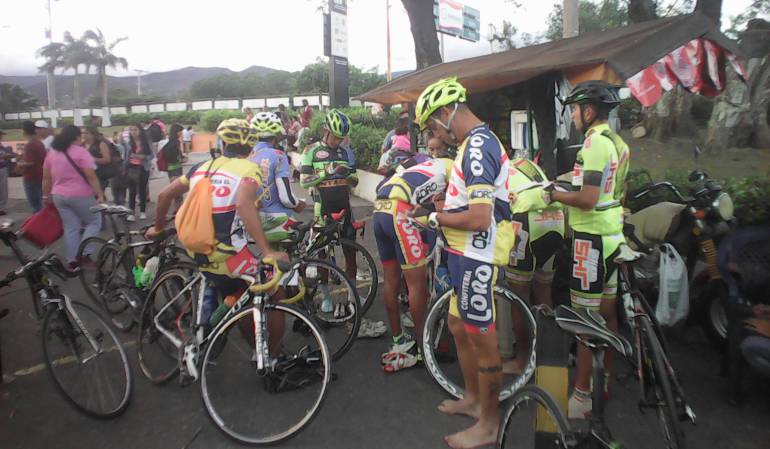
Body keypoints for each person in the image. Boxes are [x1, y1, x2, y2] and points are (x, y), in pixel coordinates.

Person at [413, 77, 514, 449]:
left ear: (445, 112)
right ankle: (474, 399)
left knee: (481, 338)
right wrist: (445, 205)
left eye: (433, 126)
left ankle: (489, 424)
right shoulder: (473, 145)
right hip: (463, 253)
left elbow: (479, 218)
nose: (435, 134)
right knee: (457, 324)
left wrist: (435, 219)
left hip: (477, 253)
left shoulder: (477, 147)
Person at [145, 118, 286, 331]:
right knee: (273, 287)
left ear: (222, 144)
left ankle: (219, 317)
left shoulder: (200, 168)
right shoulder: (249, 168)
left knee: (233, 288)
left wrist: (157, 229)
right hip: (226, 256)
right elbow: (243, 203)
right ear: (250, 147)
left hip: (193, 247)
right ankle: (270, 355)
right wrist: (267, 250)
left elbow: (164, 195)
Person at [544, 80, 630, 419]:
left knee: (584, 321)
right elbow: (609, 191)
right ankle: (602, 381)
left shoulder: (594, 144)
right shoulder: (618, 143)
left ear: (589, 111)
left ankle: (581, 397)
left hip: (590, 242)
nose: (574, 116)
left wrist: (554, 194)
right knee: (607, 314)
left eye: (576, 110)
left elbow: (587, 199)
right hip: (612, 238)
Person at [375, 151, 454, 373]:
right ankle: (424, 348)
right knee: (416, 285)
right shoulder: (453, 168)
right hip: (400, 212)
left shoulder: (422, 167)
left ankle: (400, 340)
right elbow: (451, 204)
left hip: (380, 208)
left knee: (391, 280)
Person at [499, 157, 565, 374]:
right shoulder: (524, 163)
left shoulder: (492, 171)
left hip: (525, 220)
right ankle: (548, 356)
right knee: (543, 289)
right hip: (556, 219)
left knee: (518, 297)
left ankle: (522, 360)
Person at [300, 109, 359, 297]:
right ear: (326, 130)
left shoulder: (345, 151)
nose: (338, 141)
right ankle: (325, 296)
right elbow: (304, 181)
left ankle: (352, 296)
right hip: (322, 207)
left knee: (351, 252)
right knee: (322, 255)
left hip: (344, 206)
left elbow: (355, 180)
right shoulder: (312, 151)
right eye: (335, 137)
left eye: (341, 138)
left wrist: (347, 175)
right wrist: (328, 172)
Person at [42, 125, 105, 270]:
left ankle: (72, 260)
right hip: (81, 194)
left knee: (71, 227)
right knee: (94, 221)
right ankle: (85, 254)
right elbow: (91, 176)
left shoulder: (52, 153)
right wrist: (100, 194)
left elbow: (46, 177)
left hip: (58, 195)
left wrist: (45, 195)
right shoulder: (81, 152)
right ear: (76, 137)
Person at [249, 112, 305, 220]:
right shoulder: (278, 156)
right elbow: (287, 199)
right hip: (277, 219)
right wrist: (298, 204)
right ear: (276, 135)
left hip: (251, 220)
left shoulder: (248, 156)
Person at [124, 124, 154, 221]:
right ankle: (131, 212)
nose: (133, 132)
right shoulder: (128, 142)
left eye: (135, 129)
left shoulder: (146, 142)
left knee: (142, 190)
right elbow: (125, 156)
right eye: (131, 130)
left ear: (140, 131)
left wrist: (143, 157)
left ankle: (142, 211)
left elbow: (152, 155)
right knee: (132, 191)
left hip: (143, 167)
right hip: (131, 167)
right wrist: (124, 167)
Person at [18, 121, 47, 212]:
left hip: (31, 177)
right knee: (40, 202)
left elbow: (30, 162)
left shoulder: (29, 144)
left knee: (34, 204)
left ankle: (38, 223)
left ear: (24, 131)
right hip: (40, 175)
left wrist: (20, 163)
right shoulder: (39, 143)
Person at [82, 126, 114, 192]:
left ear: (93, 134)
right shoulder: (81, 145)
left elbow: (107, 159)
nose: (83, 135)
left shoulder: (101, 144)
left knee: (97, 193)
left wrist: (92, 159)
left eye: (86, 133)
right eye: (82, 133)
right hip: (86, 174)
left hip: (99, 174)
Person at [0, 130, 13, 215]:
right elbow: (2, 156)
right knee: (2, 189)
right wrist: (7, 155)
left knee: (3, 189)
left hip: (3, 168)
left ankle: (1, 207)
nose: (1, 136)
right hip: (1, 168)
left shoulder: (1, 145)